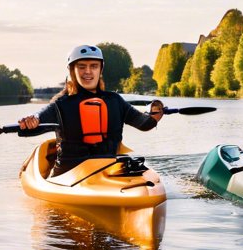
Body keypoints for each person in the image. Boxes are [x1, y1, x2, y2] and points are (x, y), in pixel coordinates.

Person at [18, 43, 164, 176]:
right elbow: (37, 121)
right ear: (72, 70)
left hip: (108, 170)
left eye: (94, 66)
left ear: (100, 69)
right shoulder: (61, 104)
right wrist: (31, 121)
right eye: (82, 67)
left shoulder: (115, 101)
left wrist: (155, 114)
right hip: (70, 174)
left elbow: (144, 123)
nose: (88, 71)